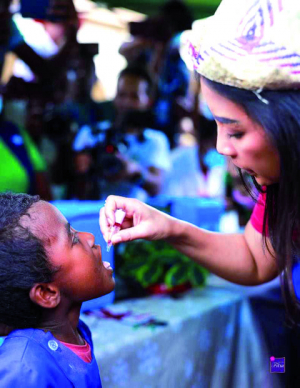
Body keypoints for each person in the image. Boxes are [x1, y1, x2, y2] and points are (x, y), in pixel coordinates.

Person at [100, 0, 300, 333]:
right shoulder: (281, 180)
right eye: (216, 125)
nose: (222, 147)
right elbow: (254, 258)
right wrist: (169, 228)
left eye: (235, 130)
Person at [0, 192, 114, 386]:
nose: (90, 238)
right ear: (47, 293)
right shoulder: (23, 369)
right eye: (74, 239)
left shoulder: (78, 332)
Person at [72, 65, 171, 201]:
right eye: (122, 95)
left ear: (148, 101)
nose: (126, 102)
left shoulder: (155, 140)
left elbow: (157, 187)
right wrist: (85, 168)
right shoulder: (90, 134)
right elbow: (73, 187)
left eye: (134, 97)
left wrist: (134, 171)